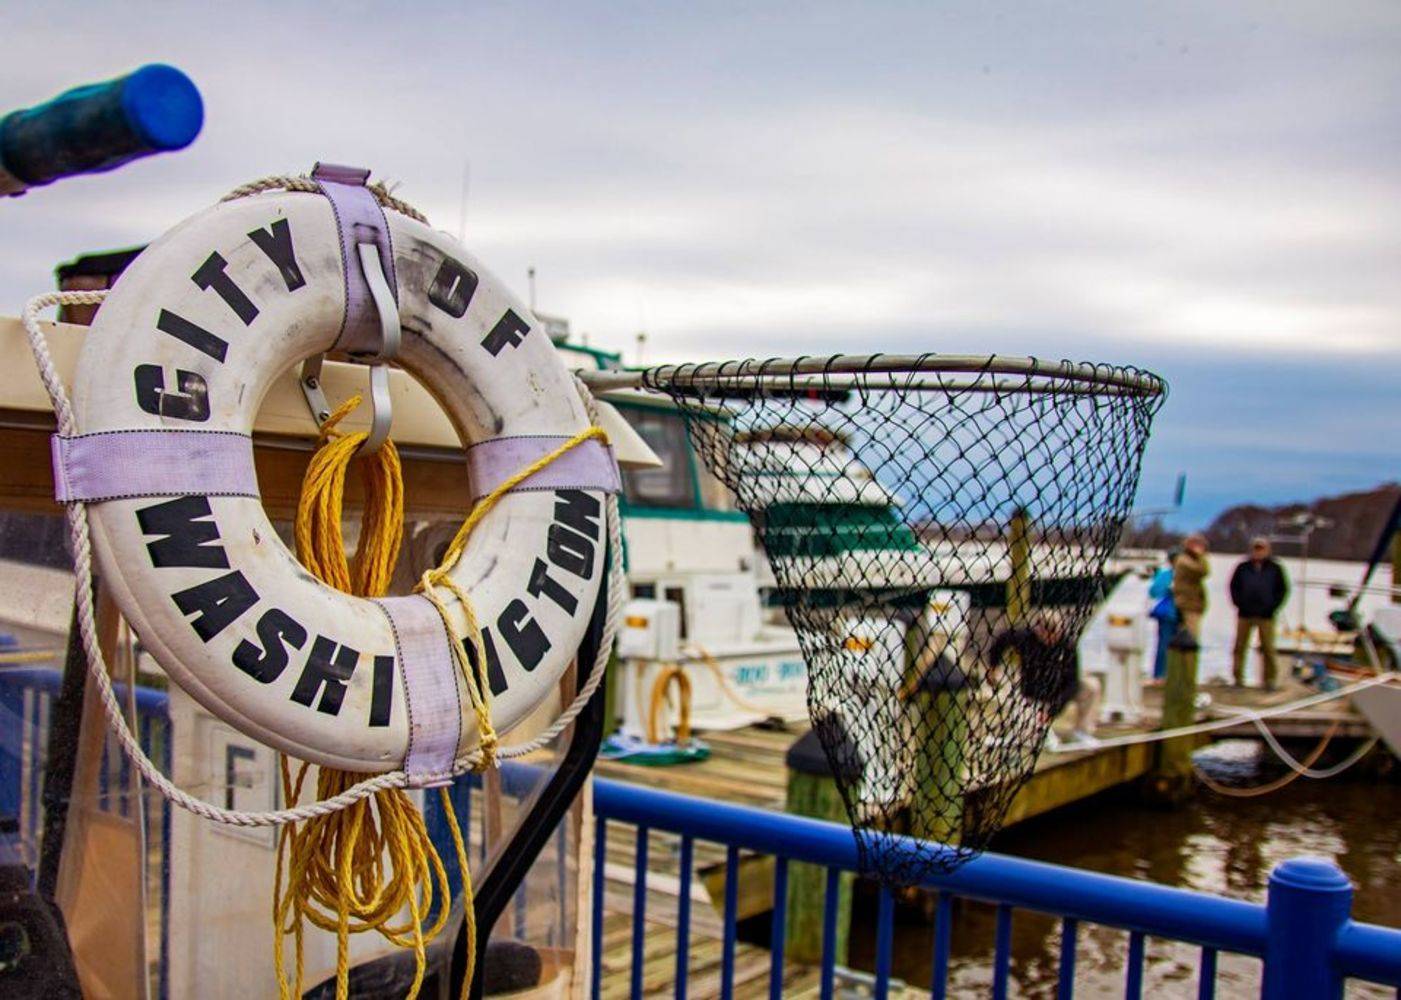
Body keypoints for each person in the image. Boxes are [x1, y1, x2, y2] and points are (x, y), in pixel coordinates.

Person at [987, 617, 1101, 746]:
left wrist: (1052, 710)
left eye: (1054, 633)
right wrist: (993, 666)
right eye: (1046, 633)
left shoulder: (1067, 646)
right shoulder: (1025, 638)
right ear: (1038, 631)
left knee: (1091, 685)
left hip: (1059, 693)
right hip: (1031, 697)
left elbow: (1072, 683)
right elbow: (1002, 639)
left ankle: (1081, 732)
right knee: (1030, 739)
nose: (1050, 638)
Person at [1229, 537, 1289, 690]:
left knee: (1268, 648)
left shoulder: (1275, 568)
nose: (1258, 551)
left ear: (1267, 550)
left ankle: (1269, 680)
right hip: (1245, 613)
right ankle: (1238, 679)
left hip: (1266, 615)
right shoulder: (1242, 567)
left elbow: (1283, 590)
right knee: (1240, 647)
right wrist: (1239, 603)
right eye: (1256, 548)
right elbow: (1233, 587)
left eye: (1261, 548)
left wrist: (1273, 606)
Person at [1171, 534, 1211, 641]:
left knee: (1189, 638)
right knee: (1190, 640)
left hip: (1193, 605)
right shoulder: (1183, 560)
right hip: (1186, 605)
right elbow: (1202, 571)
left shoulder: (1191, 559)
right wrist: (1201, 556)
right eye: (1197, 545)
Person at [1147, 552, 1177, 681]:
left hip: (1174, 614)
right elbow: (1154, 591)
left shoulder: (1166, 574)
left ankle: (1165, 674)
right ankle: (1160, 675)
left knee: (1167, 645)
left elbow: (1153, 592)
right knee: (1164, 645)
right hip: (1169, 615)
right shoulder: (1167, 575)